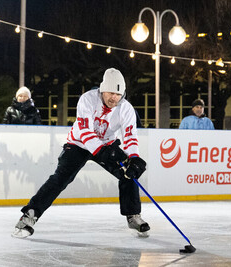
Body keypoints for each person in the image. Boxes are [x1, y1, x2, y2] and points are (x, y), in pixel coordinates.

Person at [12, 68, 149, 238]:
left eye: (118, 94)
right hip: (78, 143)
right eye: (111, 93)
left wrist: (134, 157)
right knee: (61, 178)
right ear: (102, 89)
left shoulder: (126, 109)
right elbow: (85, 132)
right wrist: (101, 151)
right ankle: (28, 216)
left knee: (129, 172)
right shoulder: (87, 99)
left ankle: (133, 215)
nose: (114, 97)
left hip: (107, 144)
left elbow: (130, 135)